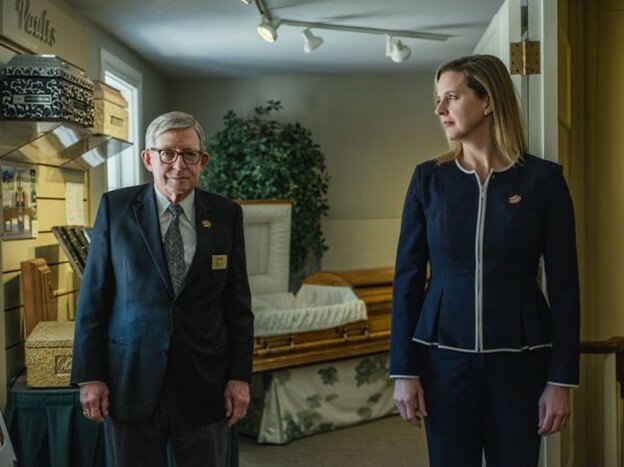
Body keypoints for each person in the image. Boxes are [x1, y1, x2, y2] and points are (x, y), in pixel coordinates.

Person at [390, 55, 579, 467]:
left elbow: (565, 287)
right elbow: (406, 279)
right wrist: (403, 370)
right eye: (438, 99)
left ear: (488, 101)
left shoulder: (543, 181)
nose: (439, 110)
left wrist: (560, 379)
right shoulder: (428, 179)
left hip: (521, 363)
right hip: (442, 361)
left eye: (451, 97)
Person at [71, 111, 254, 467]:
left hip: (204, 382)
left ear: (202, 161)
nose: (178, 164)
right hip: (130, 380)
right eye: (167, 153)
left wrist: (239, 377)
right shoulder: (116, 208)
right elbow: (93, 298)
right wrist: (89, 376)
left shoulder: (226, 214)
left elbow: (238, 306)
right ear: (148, 158)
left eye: (189, 154)